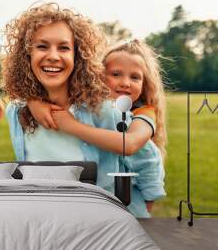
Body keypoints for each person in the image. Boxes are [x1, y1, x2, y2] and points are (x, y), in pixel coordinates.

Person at [3, 3, 164, 218]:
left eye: (63, 47)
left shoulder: (104, 111)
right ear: (26, 55)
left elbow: (147, 159)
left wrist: (144, 210)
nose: (53, 55)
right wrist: (32, 101)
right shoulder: (16, 112)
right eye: (42, 46)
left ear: (78, 56)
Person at [27, 39, 167, 215]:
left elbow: (130, 144)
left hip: (129, 204)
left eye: (135, 77)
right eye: (115, 74)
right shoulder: (91, 106)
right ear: (97, 76)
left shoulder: (144, 113)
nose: (125, 82)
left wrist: (72, 126)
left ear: (145, 83)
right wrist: (33, 102)